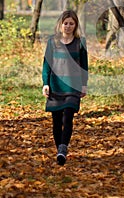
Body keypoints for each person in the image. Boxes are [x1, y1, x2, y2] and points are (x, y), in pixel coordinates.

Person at [42, 10, 88, 165]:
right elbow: (47, 65)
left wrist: (84, 84)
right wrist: (45, 83)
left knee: (68, 116)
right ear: (60, 24)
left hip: (73, 87)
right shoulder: (52, 42)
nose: (68, 26)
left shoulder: (80, 43)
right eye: (66, 23)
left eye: (71, 24)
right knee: (56, 121)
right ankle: (59, 152)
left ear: (75, 26)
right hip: (55, 86)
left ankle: (63, 149)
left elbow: (84, 66)